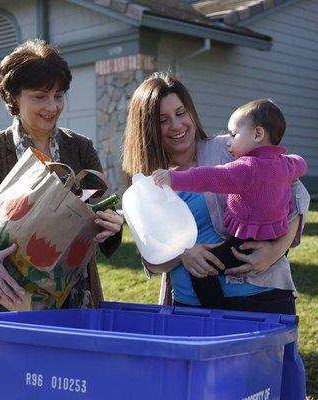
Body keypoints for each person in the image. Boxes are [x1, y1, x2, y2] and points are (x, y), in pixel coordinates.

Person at [0, 39, 123, 315]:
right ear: (13, 96)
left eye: (59, 95)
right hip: (5, 306)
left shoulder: (79, 148)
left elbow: (101, 214)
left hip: (77, 304)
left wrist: (111, 225)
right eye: (39, 96)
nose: (52, 106)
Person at [122, 72, 310, 315]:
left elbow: (297, 192)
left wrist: (275, 251)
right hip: (189, 308)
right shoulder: (146, 184)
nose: (177, 125)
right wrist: (183, 252)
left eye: (181, 113)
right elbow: (152, 260)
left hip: (259, 299)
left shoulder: (230, 149)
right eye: (162, 120)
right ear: (147, 126)